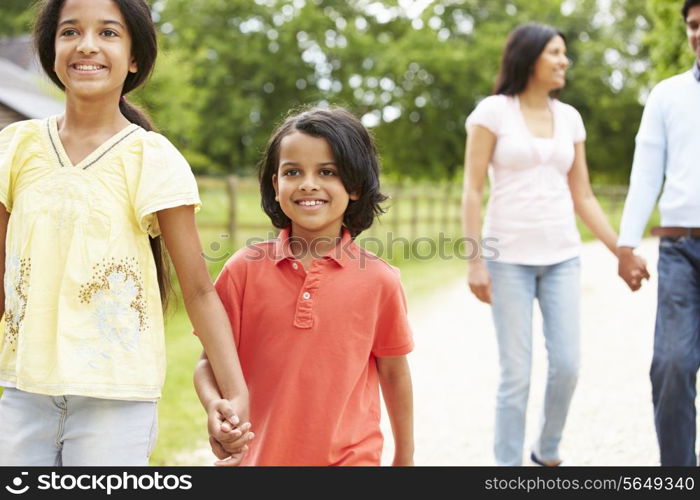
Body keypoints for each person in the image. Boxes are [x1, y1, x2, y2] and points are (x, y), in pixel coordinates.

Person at [0, 0, 249, 466]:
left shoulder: (152, 159)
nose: (87, 45)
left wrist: (233, 396)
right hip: (21, 394)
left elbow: (197, 289)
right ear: (51, 50)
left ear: (134, 58)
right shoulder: (15, 148)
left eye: (109, 33)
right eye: (70, 32)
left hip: (114, 400)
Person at [194, 108, 415, 466]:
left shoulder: (380, 280)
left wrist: (405, 457)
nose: (308, 183)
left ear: (356, 185)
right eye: (292, 171)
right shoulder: (242, 271)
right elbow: (208, 362)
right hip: (258, 459)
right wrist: (212, 404)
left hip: (351, 459)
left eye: (327, 172)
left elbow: (394, 374)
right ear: (274, 185)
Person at [462, 23, 619, 466]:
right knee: (516, 376)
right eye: (555, 52)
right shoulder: (493, 112)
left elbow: (583, 195)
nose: (564, 61)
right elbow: (472, 190)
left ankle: (546, 450)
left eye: (564, 53)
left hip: (562, 257)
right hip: (507, 260)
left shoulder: (570, 117)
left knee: (567, 365)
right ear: (529, 57)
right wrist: (476, 263)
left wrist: (619, 249)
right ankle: (507, 470)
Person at [617, 0, 700, 467]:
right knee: (672, 364)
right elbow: (646, 176)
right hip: (681, 248)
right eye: (692, 25)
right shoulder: (667, 96)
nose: (698, 33)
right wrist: (626, 245)